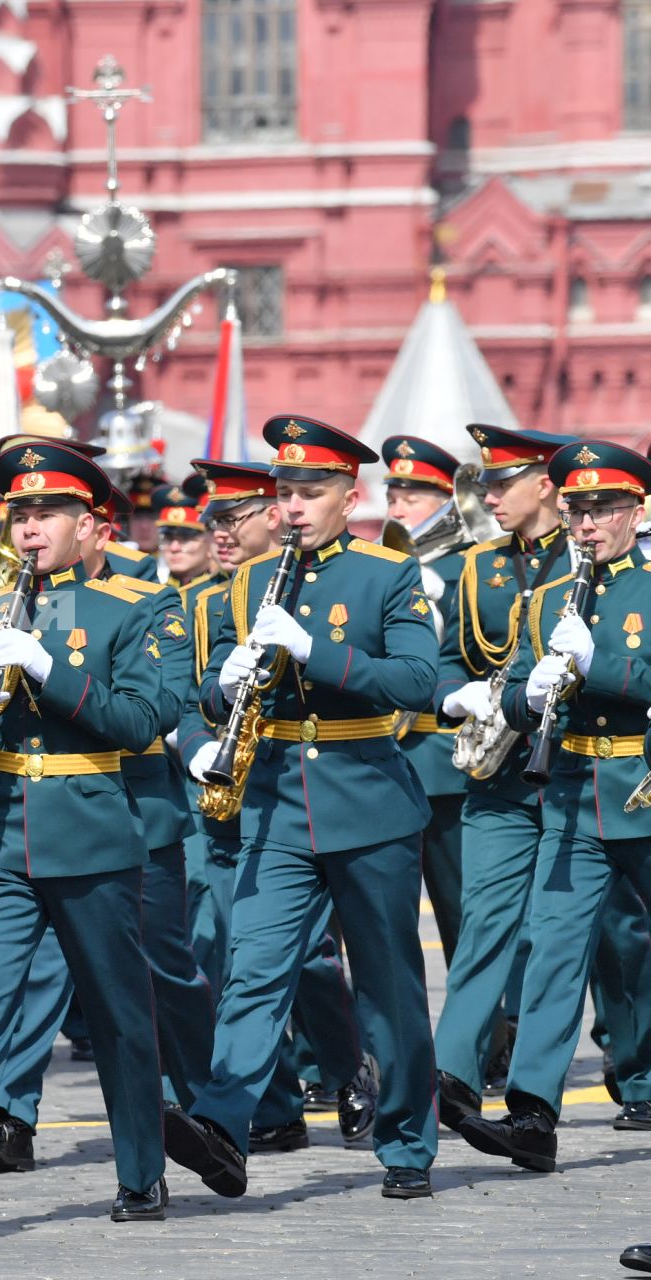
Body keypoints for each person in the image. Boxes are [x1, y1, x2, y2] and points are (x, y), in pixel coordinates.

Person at [168, 414, 439, 1201]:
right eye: (284, 492)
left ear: (349, 496)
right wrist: (224, 688)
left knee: (387, 984)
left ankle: (408, 1143)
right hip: (277, 803)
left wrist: (316, 652)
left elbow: (417, 683)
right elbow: (208, 689)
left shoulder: (387, 574)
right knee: (254, 970)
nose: (292, 507)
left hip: (369, 802)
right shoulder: (248, 582)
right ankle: (223, 1125)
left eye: (309, 492)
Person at [0, 440, 168, 1226]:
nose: (29, 528)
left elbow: (141, 721)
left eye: (48, 512)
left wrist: (53, 674)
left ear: (91, 526)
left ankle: (141, 1169)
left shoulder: (135, 604)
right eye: (20, 513)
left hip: (89, 834)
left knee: (119, 1012)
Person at [455, 440, 651, 1173]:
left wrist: (604, 667)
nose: (589, 524)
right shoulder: (547, 600)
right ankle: (534, 1114)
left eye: (604, 509)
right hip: (571, 794)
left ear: (637, 510)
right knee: (553, 953)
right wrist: (526, 693)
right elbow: (509, 692)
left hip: (642, 786)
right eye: (578, 510)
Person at [427, 425, 583, 1128]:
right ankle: (454, 1073)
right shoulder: (476, 567)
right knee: (485, 917)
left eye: (501, 483)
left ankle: (607, 1074)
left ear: (544, 485)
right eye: (485, 484)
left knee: (572, 936)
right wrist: (454, 694)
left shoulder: (590, 562)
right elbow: (452, 658)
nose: (487, 497)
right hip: (501, 771)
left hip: (579, 768)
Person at [381, 435, 472, 962]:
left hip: (441, 755)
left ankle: (489, 1036)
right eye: (394, 495)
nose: (398, 506)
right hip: (389, 758)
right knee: (384, 914)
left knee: (459, 905)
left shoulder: (470, 567)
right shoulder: (385, 564)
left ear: (444, 501)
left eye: (413, 497)